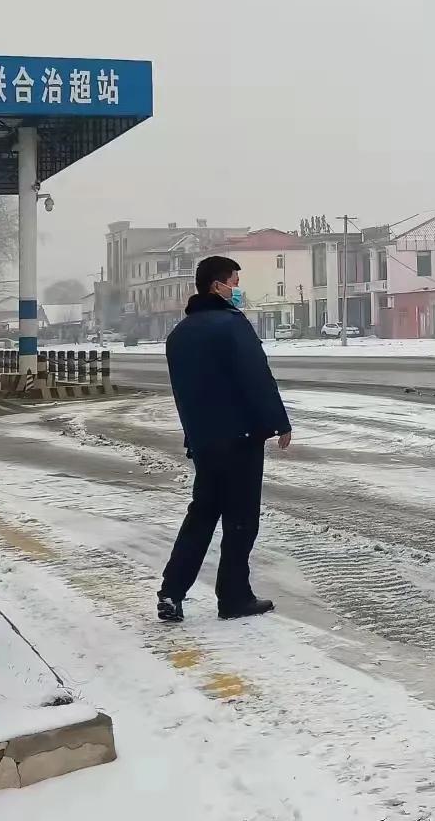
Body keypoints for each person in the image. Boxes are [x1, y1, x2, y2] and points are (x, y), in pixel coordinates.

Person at [157, 254, 292, 623]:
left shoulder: (178, 335)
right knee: (241, 519)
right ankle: (233, 596)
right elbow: (255, 376)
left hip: (203, 440)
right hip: (241, 437)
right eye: (233, 281)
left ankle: (172, 592)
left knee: (201, 514)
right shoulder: (233, 325)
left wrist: (195, 435)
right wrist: (278, 422)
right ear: (217, 285)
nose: (236, 288)